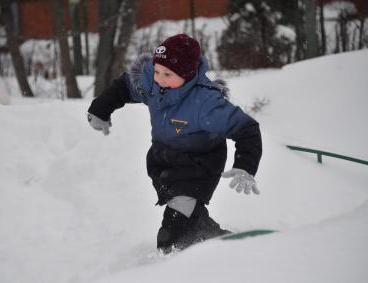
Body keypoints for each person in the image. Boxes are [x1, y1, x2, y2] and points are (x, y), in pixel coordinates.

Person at [87, 34, 262, 254]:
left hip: (199, 164)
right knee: (186, 211)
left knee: (173, 230)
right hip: (162, 161)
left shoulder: (206, 102)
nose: (159, 78)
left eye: (167, 74)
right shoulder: (151, 80)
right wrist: (100, 109)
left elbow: (246, 129)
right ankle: (206, 231)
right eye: (157, 70)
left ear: (187, 74)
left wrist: (246, 165)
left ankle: (173, 256)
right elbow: (124, 87)